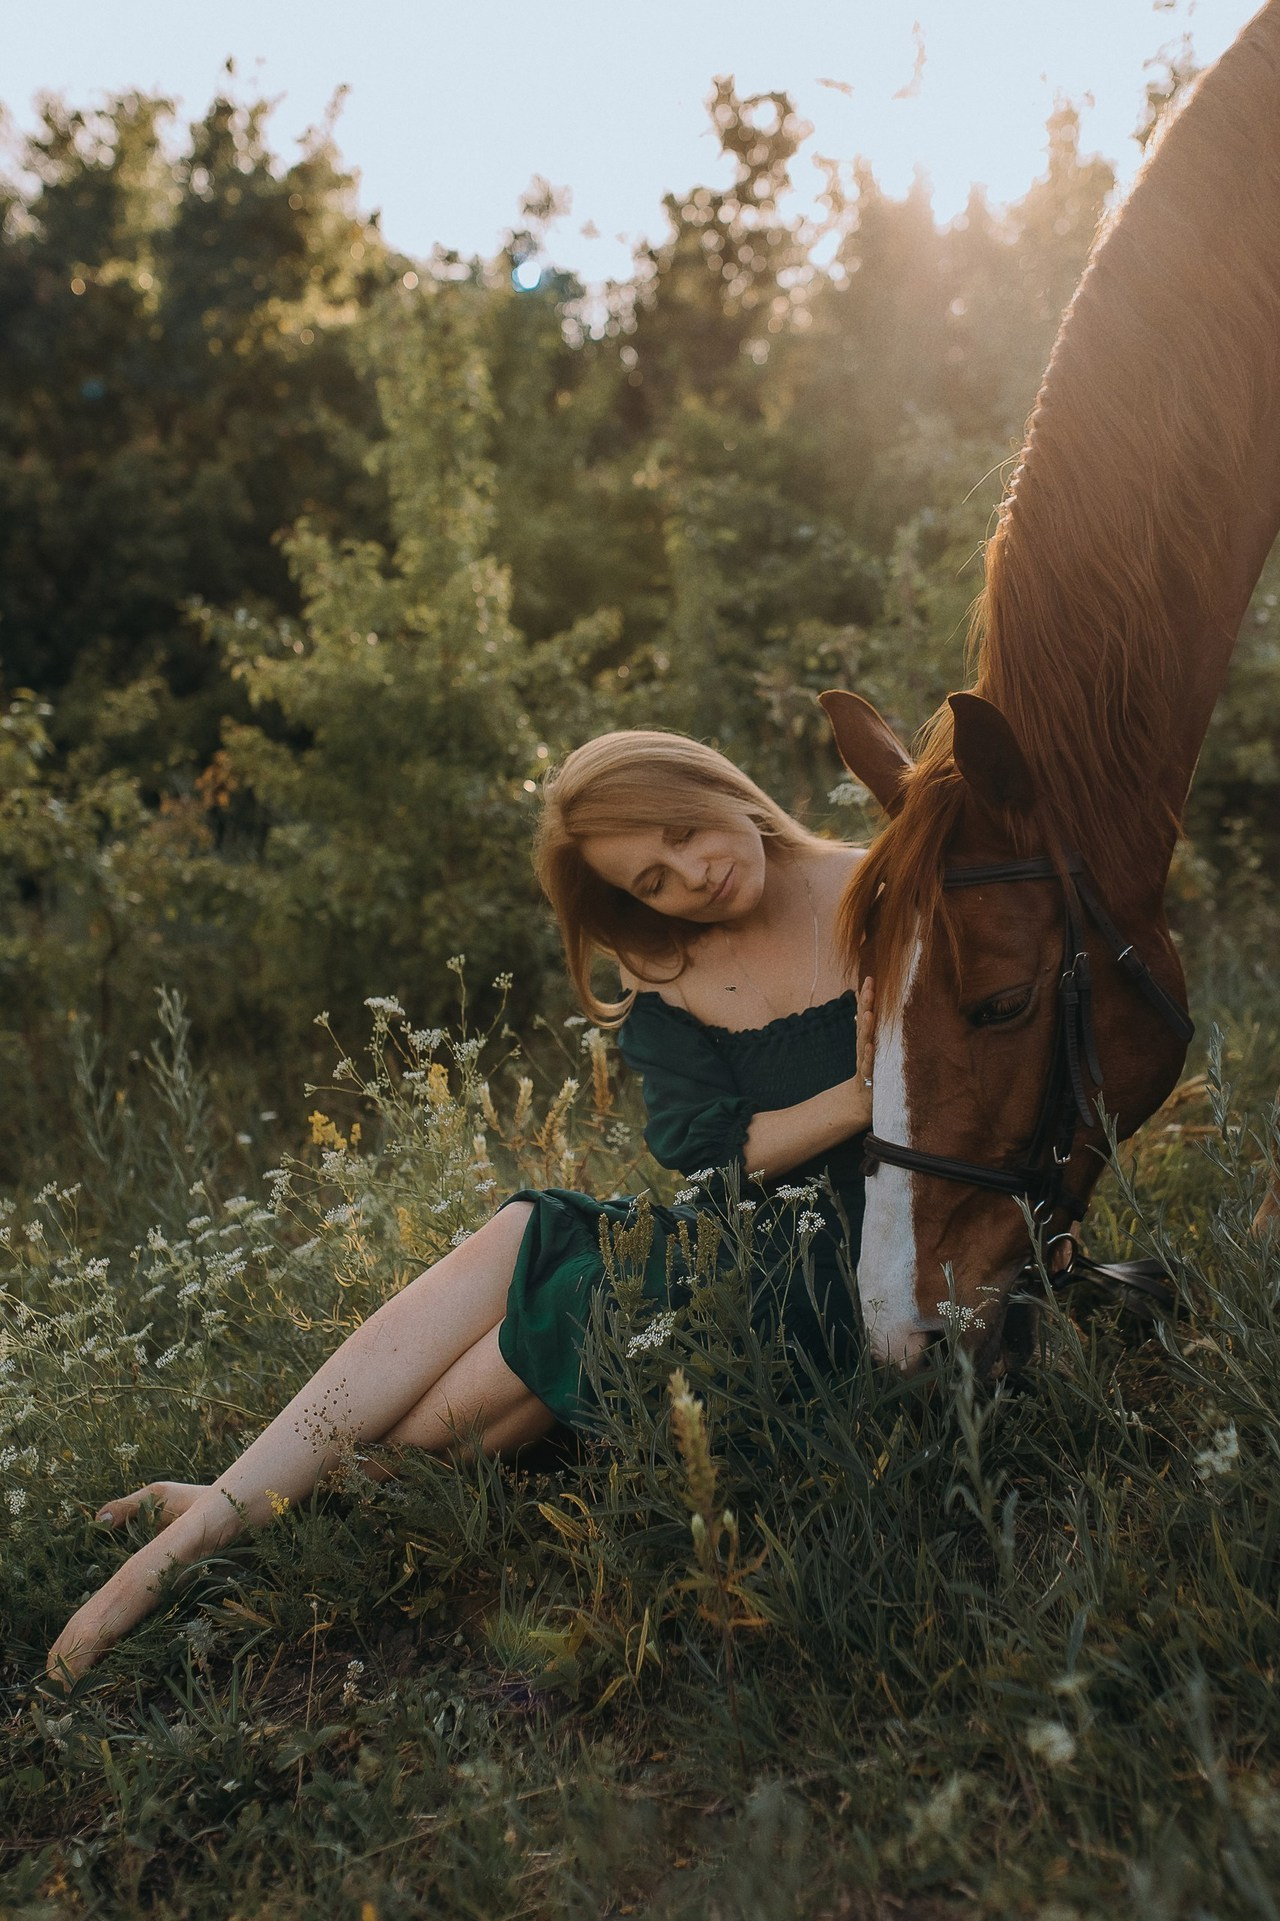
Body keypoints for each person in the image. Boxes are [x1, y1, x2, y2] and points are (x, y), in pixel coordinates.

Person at [47, 731, 875, 1681]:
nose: (695, 874)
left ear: (718, 783)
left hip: (859, 1251)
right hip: (737, 1232)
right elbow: (709, 1153)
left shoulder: (882, 888)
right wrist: (857, 1092)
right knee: (534, 1233)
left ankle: (229, 1513)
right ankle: (212, 1527)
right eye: (652, 880)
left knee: (571, 1302)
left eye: (687, 831)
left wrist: (866, 1104)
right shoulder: (671, 963)